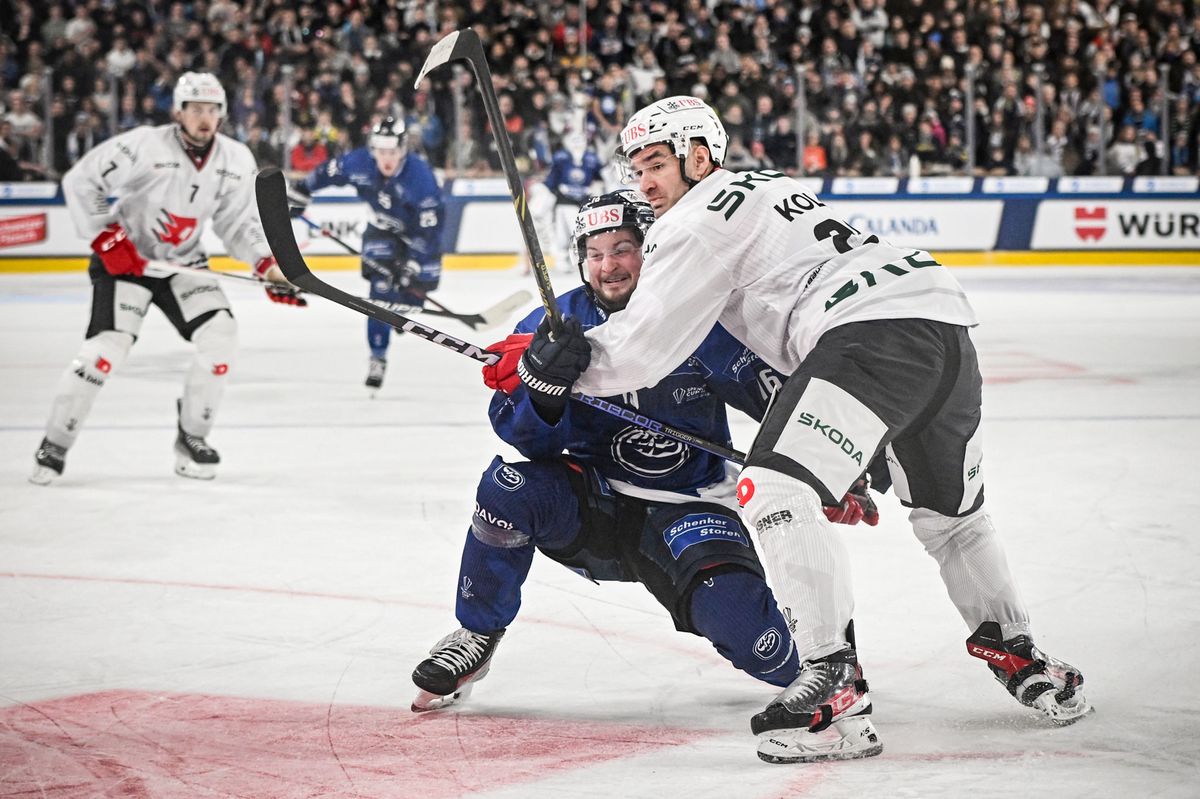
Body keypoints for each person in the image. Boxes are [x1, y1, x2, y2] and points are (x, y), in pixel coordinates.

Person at [512, 97, 1092, 763]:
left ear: (699, 155)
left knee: (772, 488)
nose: (642, 182)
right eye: (635, 167)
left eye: (655, 163)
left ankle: (833, 692)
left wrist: (553, 370)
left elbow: (643, 349)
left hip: (868, 331)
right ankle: (1021, 654)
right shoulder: (767, 188)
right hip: (939, 324)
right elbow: (758, 352)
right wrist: (840, 446)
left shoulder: (696, 218)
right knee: (952, 519)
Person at [410, 191, 881, 713]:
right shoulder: (554, 325)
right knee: (509, 489)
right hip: (594, 503)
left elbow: (776, 398)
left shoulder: (701, 317)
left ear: (651, 249)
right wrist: (542, 396)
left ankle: (827, 652)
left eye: (623, 249)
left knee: (767, 653)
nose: (608, 266)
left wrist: (831, 471)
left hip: (690, 509)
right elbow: (519, 435)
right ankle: (477, 633)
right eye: (595, 253)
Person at [30, 72, 303, 487]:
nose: (204, 118)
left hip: (183, 265)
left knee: (221, 338)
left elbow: (238, 224)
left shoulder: (235, 159)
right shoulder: (144, 144)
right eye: (195, 109)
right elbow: (82, 180)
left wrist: (266, 265)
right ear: (178, 111)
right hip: (128, 263)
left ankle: (192, 438)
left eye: (212, 110)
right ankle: (55, 443)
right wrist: (106, 236)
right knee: (104, 352)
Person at [288, 116, 444, 392]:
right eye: (381, 152)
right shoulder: (359, 162)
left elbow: (430, 231)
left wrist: (412, 266)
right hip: (381, 231)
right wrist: (302, 190)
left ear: (403, 149)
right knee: (379, 293)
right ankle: (378, 356)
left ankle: (401, 310)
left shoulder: (421, 178)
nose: (387, 159)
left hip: (417, 239)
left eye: (392, 152)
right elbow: (327, 173)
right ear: (373, 149)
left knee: (412, 296)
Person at [526, 130, 603, 272]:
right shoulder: (560, 157)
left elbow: (599, 178)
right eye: (574, 140)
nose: (577, 144)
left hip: (583, 202)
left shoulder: (592, 158)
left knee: (581, 230)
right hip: (564, 201)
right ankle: (562, 259)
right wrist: (547, 190)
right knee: (562, 233)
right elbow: (552, 181)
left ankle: (585, 258)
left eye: (580, 140)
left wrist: (595, 190)